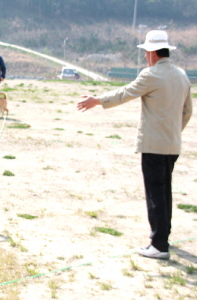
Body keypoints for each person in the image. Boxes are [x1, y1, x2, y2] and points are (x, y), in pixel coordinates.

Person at [77, 30, 192, 260]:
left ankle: (159, 244)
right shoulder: (182, 75)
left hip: (153, 145)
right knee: (165, 191)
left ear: (151, 52)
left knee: (155, 194)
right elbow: (187, 111)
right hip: (172, 144)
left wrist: (97, 100)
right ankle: (164, 237)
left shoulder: (151, 74)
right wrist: (173, 132)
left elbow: (125, 93)